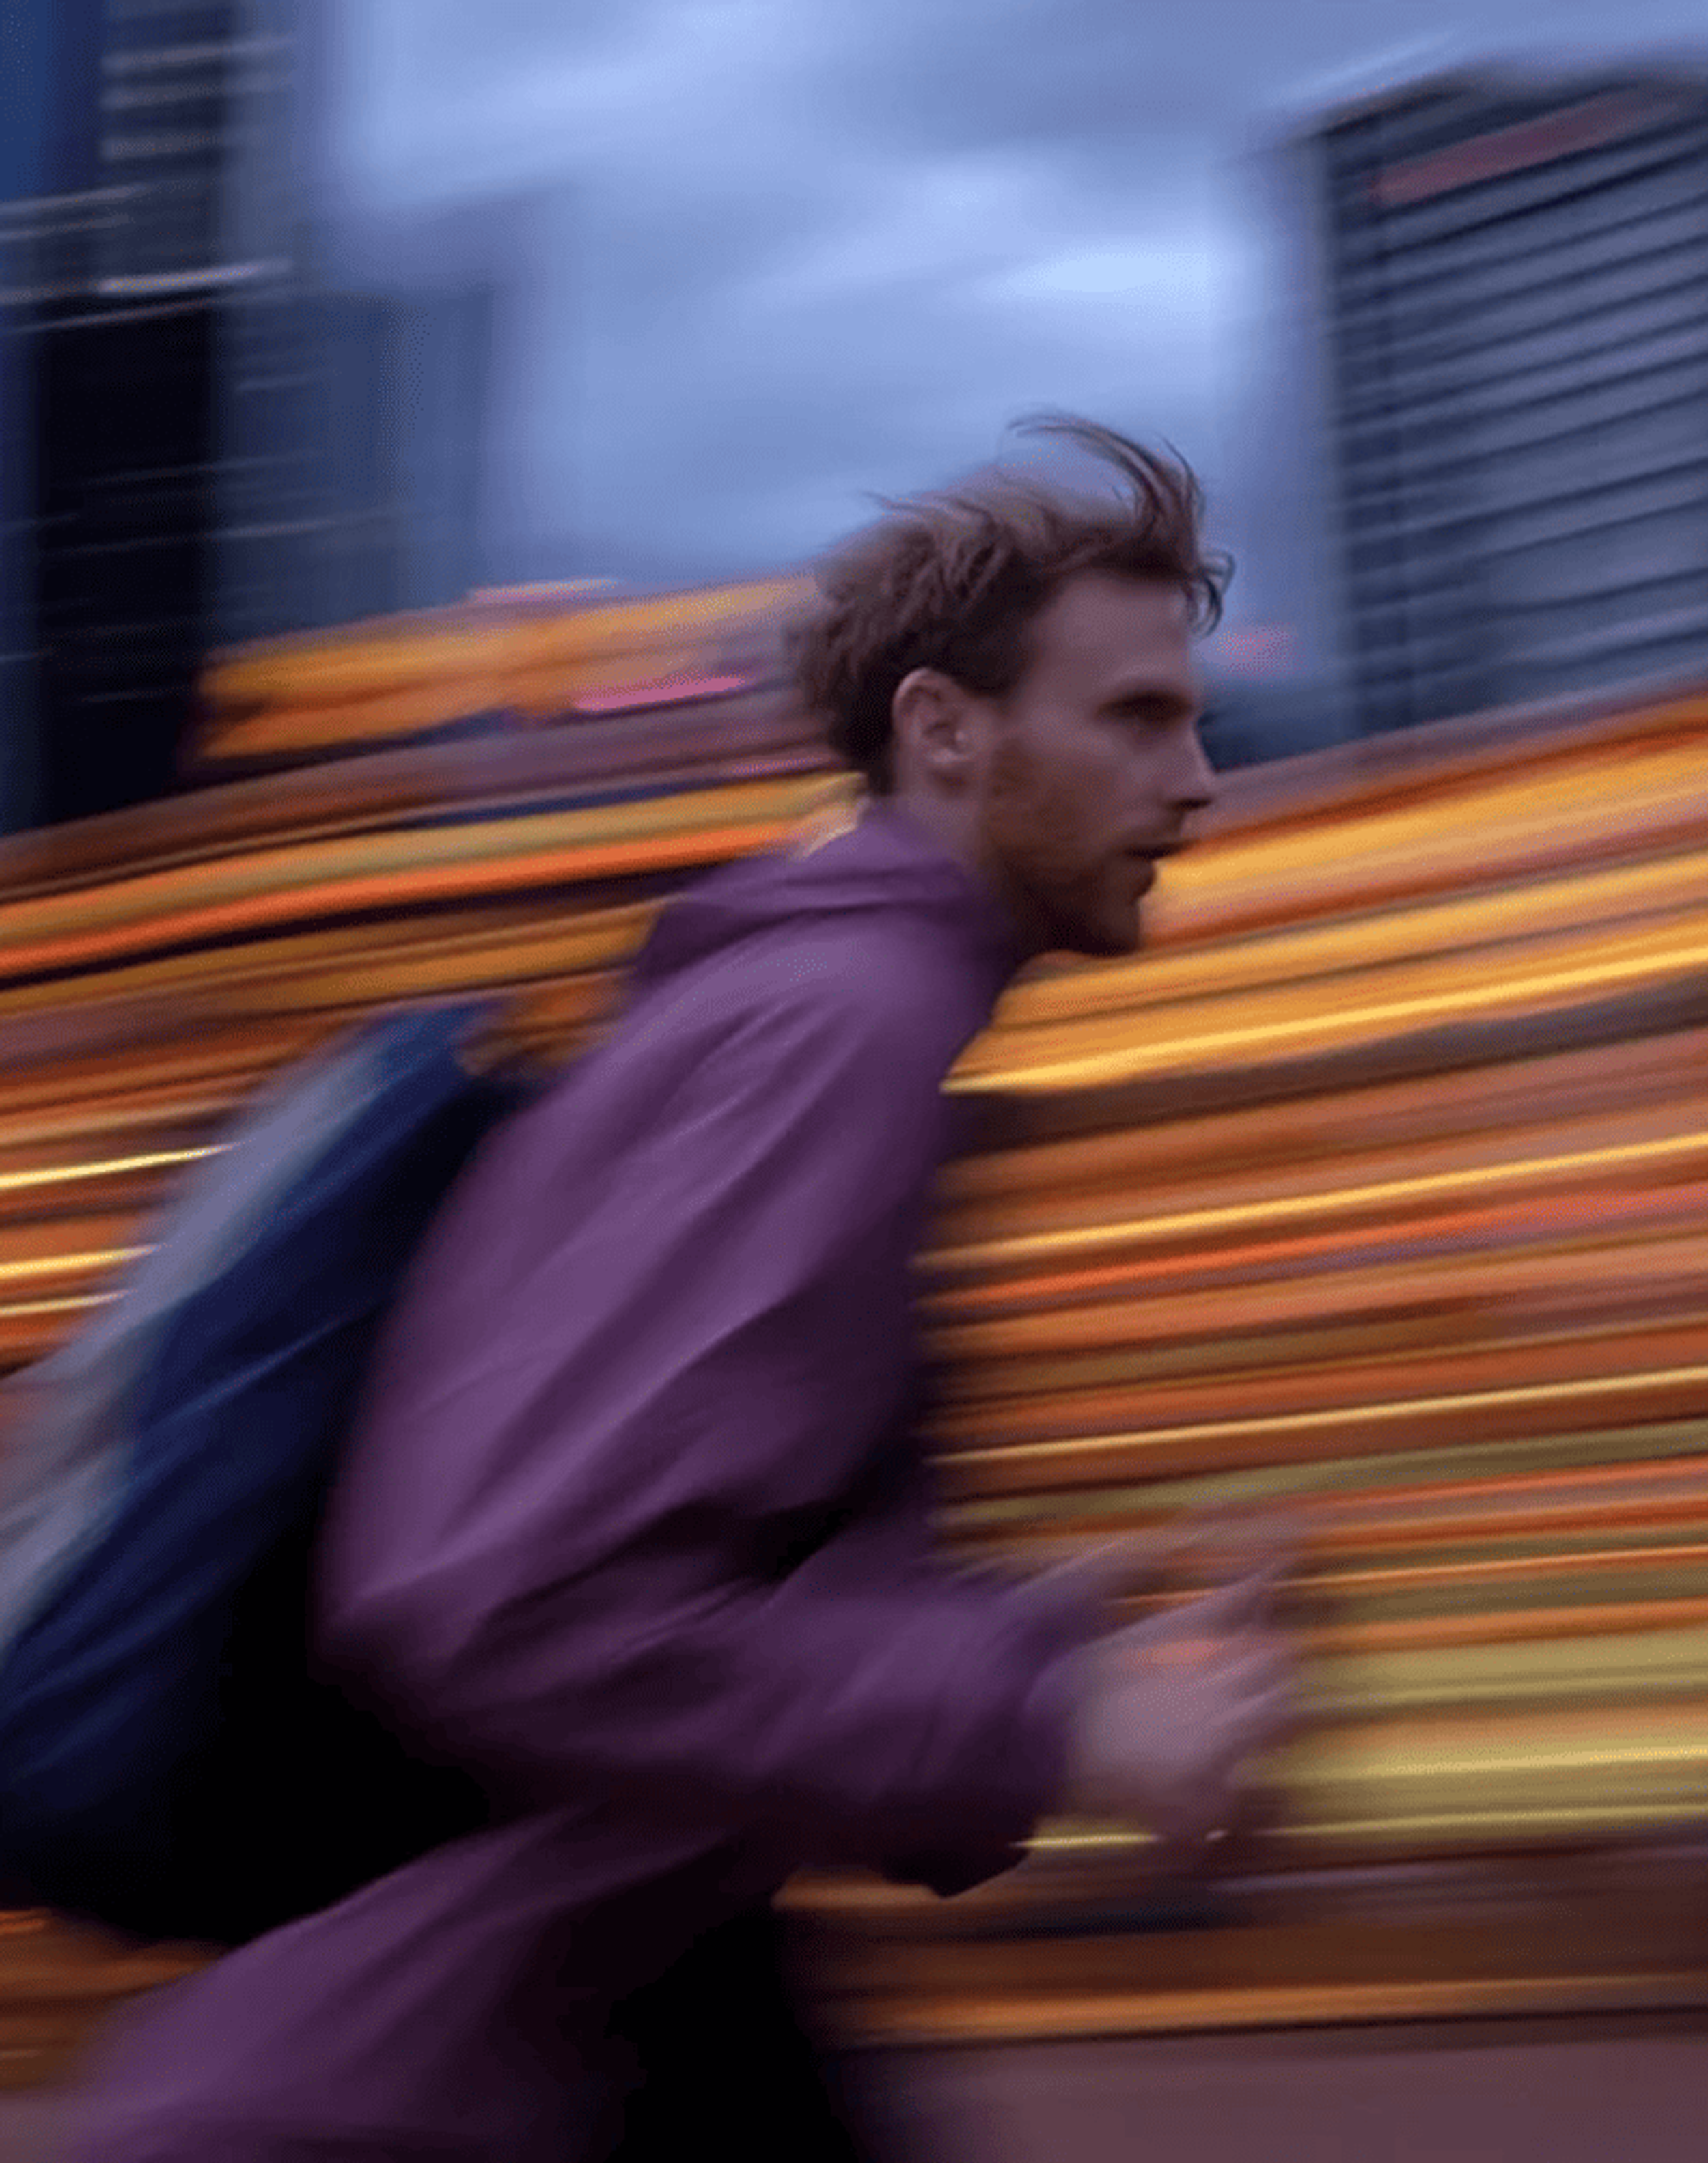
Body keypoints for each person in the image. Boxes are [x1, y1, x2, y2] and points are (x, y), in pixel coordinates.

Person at [64, 418, 1296, 2162]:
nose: (1194, 783)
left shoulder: (816, 1010)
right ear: (943, 729)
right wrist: (1056, 1718)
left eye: (1191, 720)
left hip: (568, 2031)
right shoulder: (830, 1027)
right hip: (411, 2090)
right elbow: (497, 1603)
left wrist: (1022, 1631)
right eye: (1134, 717)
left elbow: (677, 1555)